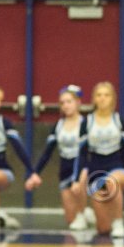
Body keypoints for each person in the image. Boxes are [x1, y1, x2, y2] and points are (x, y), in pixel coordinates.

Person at [71, 82, 124, 238]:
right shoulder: (87, 122)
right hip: (96, 171)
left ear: (113, 99)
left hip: (118, 168)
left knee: (111, 182)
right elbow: (82, 153)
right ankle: (99, 219)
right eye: (99, 95)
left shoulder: (119, 121)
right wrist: (76, 180)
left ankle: (119, 222)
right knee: (103, 229)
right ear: (94, 99)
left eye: (106, 95)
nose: (102, 98)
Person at [26, 85, 93, 231]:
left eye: (69, 101)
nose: (66, 105)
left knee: (82, 178)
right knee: (70, 221)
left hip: (83, 167)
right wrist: (35, 172)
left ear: (78, 102)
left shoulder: (86, 124)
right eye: (62, 103)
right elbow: (47, 152)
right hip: (65, 169)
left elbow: (88, 151)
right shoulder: (58, 125)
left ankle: (83, 213)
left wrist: (77, 178)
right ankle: (84, 213)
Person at [0, 81, 38, 236]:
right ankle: (2, 219)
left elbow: (19, 147)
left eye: (0, 100)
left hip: (3, 172)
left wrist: (32, 171)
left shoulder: (3, 122)